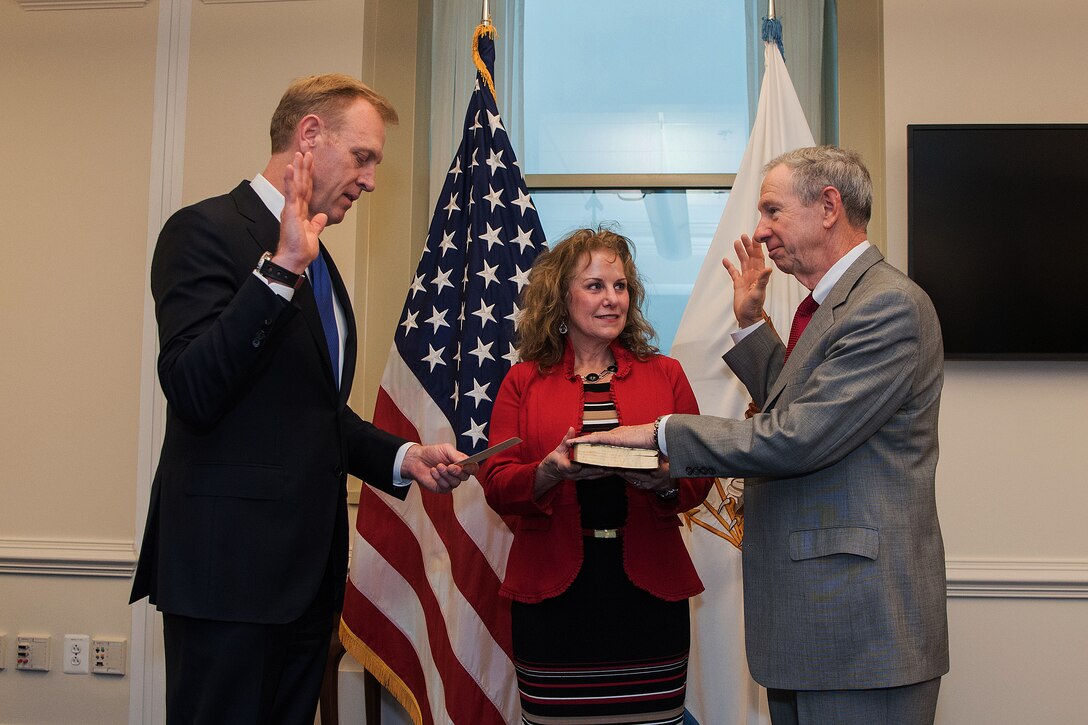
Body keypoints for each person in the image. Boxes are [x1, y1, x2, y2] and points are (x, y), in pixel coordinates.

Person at [129, 74, 475, 724]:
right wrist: (280, 268)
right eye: (364, 156)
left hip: (306, 585)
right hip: (227, 580)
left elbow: (310, 412)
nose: (371, 179)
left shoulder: (319, 261)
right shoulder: (204, 231)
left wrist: (403, 458)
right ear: (310, 135)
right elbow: (194, 387)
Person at [576, 146, 949, 725]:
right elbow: (801, 405)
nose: (760, 230)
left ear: (829, 206)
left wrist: (664, 434)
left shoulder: (887, 306)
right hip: (813, 624)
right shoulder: (831, 308)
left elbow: (797, 437)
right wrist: (752, 322)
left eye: (773, 211)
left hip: (860, 632)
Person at [479, 227, 714, 725]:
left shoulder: (666, 374)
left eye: (621, 286)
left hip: (649, 594)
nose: (612, 300)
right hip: (553, 599)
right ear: (561, 298)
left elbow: (699, 474)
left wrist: (665, 481)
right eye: (595, 286)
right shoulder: (523, 381)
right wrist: (547, 472)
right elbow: (497, 483)